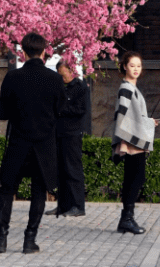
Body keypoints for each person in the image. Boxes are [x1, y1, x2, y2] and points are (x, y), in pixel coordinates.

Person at [0, 32, 65, 255]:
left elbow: (3, 113)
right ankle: (30, 241)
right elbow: (60, 111)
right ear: (44, 52)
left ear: (23, 52)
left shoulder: (13, 78)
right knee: (38, 191)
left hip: (19, 141)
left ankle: (1, 238)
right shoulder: (55, 79)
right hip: (44, 144)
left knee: (6, 189)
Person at [111, 51, 160, 235]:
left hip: (133, 140)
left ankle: (126, 220)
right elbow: (122, 116)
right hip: (131, 143)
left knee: (133, 179)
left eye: (138, 66)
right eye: (132, 65)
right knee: (135, 179)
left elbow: (132, 117)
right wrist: (123, 142)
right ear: (124, 66)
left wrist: (148, 122)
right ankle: (127, 220)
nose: (136, 69)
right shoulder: (127, 88)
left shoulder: (131, 88)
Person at [50, 60, 90, 217]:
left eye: (63, 74)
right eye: (59, 75)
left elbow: (81, 109)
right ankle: (63, 205)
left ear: (71, 71)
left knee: (73, 169)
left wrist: (61, 109)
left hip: (72, 134)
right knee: (61, 170)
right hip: (59, 132)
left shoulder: (80, 88)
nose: (61, 78)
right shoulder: (59, 88)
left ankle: (78, 205)